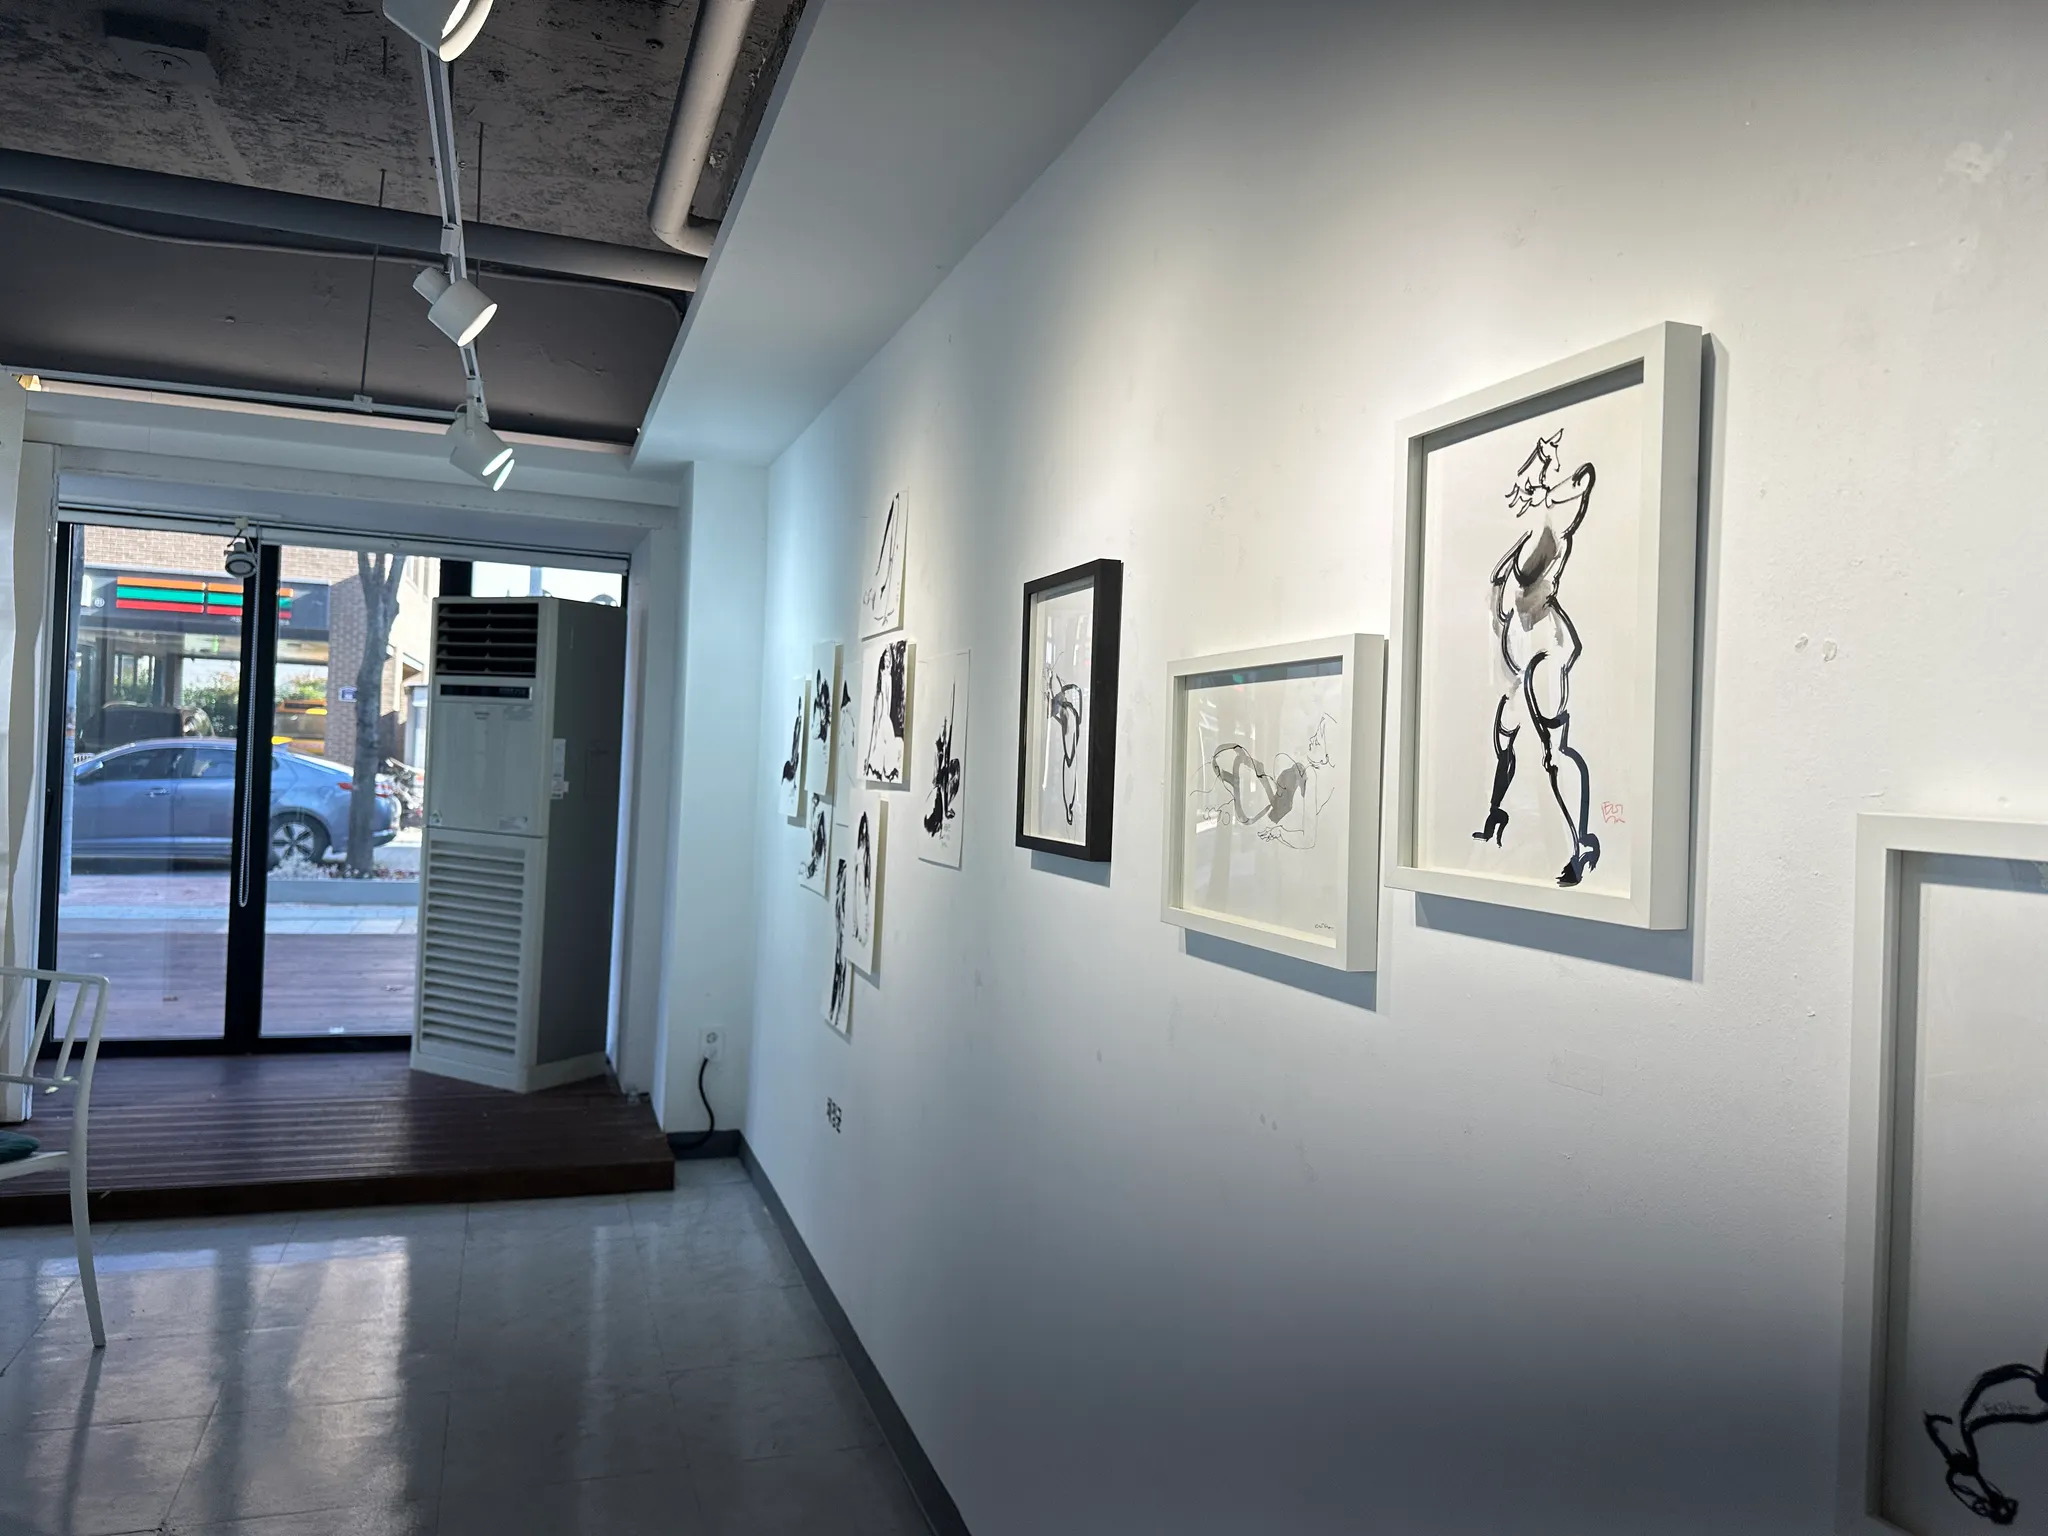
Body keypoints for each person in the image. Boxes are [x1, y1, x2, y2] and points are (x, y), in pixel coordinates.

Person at [1472, 429, 1601, 887]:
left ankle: (1578, 846)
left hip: (1546, 647)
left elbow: (1581, 481)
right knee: (1504, 739)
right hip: (1520, 657)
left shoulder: (1552, 528)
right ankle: (1495, 813)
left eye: (1534, 482)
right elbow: (1500, 595)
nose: (1524, 488)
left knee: (1551, 752)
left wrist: (1547, 481)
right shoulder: (1526, 529)